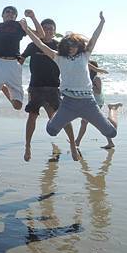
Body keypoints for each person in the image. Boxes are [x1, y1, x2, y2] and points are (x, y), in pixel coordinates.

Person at [20, 12, 118, 161]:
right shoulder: (58, 57)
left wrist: (102, 23)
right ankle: (53, 118)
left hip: (88, 103)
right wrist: (27, 30)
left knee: (112, 133)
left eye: (74, 44)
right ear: (64, 46)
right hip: (68, 104)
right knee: (51, 131)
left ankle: (113, 110)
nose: (71, 47)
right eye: (68, 45)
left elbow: (94, 38)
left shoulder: (84, 55)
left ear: (79, 45)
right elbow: (40, 44)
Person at [20, 17, 78, 161]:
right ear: (41, 30)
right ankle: (27, 146)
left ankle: (73, 145)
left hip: (53, 88)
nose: (47, 31)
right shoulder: (33, 45)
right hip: (35, 87)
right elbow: (20, 61)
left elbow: (72, 61)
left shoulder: (59, 46)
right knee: (32, 116)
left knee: (61, 117)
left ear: (54, 32)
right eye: (45, 28)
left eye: (50, 29)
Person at [0, 4, 44, 110]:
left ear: (15, 17)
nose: (10, 14)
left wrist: (33, 17)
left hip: (14, 65)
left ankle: (3, 87)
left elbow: (41, 35)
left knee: (18, 106)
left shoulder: (19, 26)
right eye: (7, 11)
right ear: (2, 15)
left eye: (13, 13)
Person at [75, 61, 122, 149]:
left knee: (87, 122)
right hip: (89, 102)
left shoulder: (96, 79)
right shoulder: (86, 78)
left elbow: (98, 91)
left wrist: (90, 85)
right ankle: (77, 142)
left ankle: (113, 109)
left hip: (97, 101)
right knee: (85, 122)